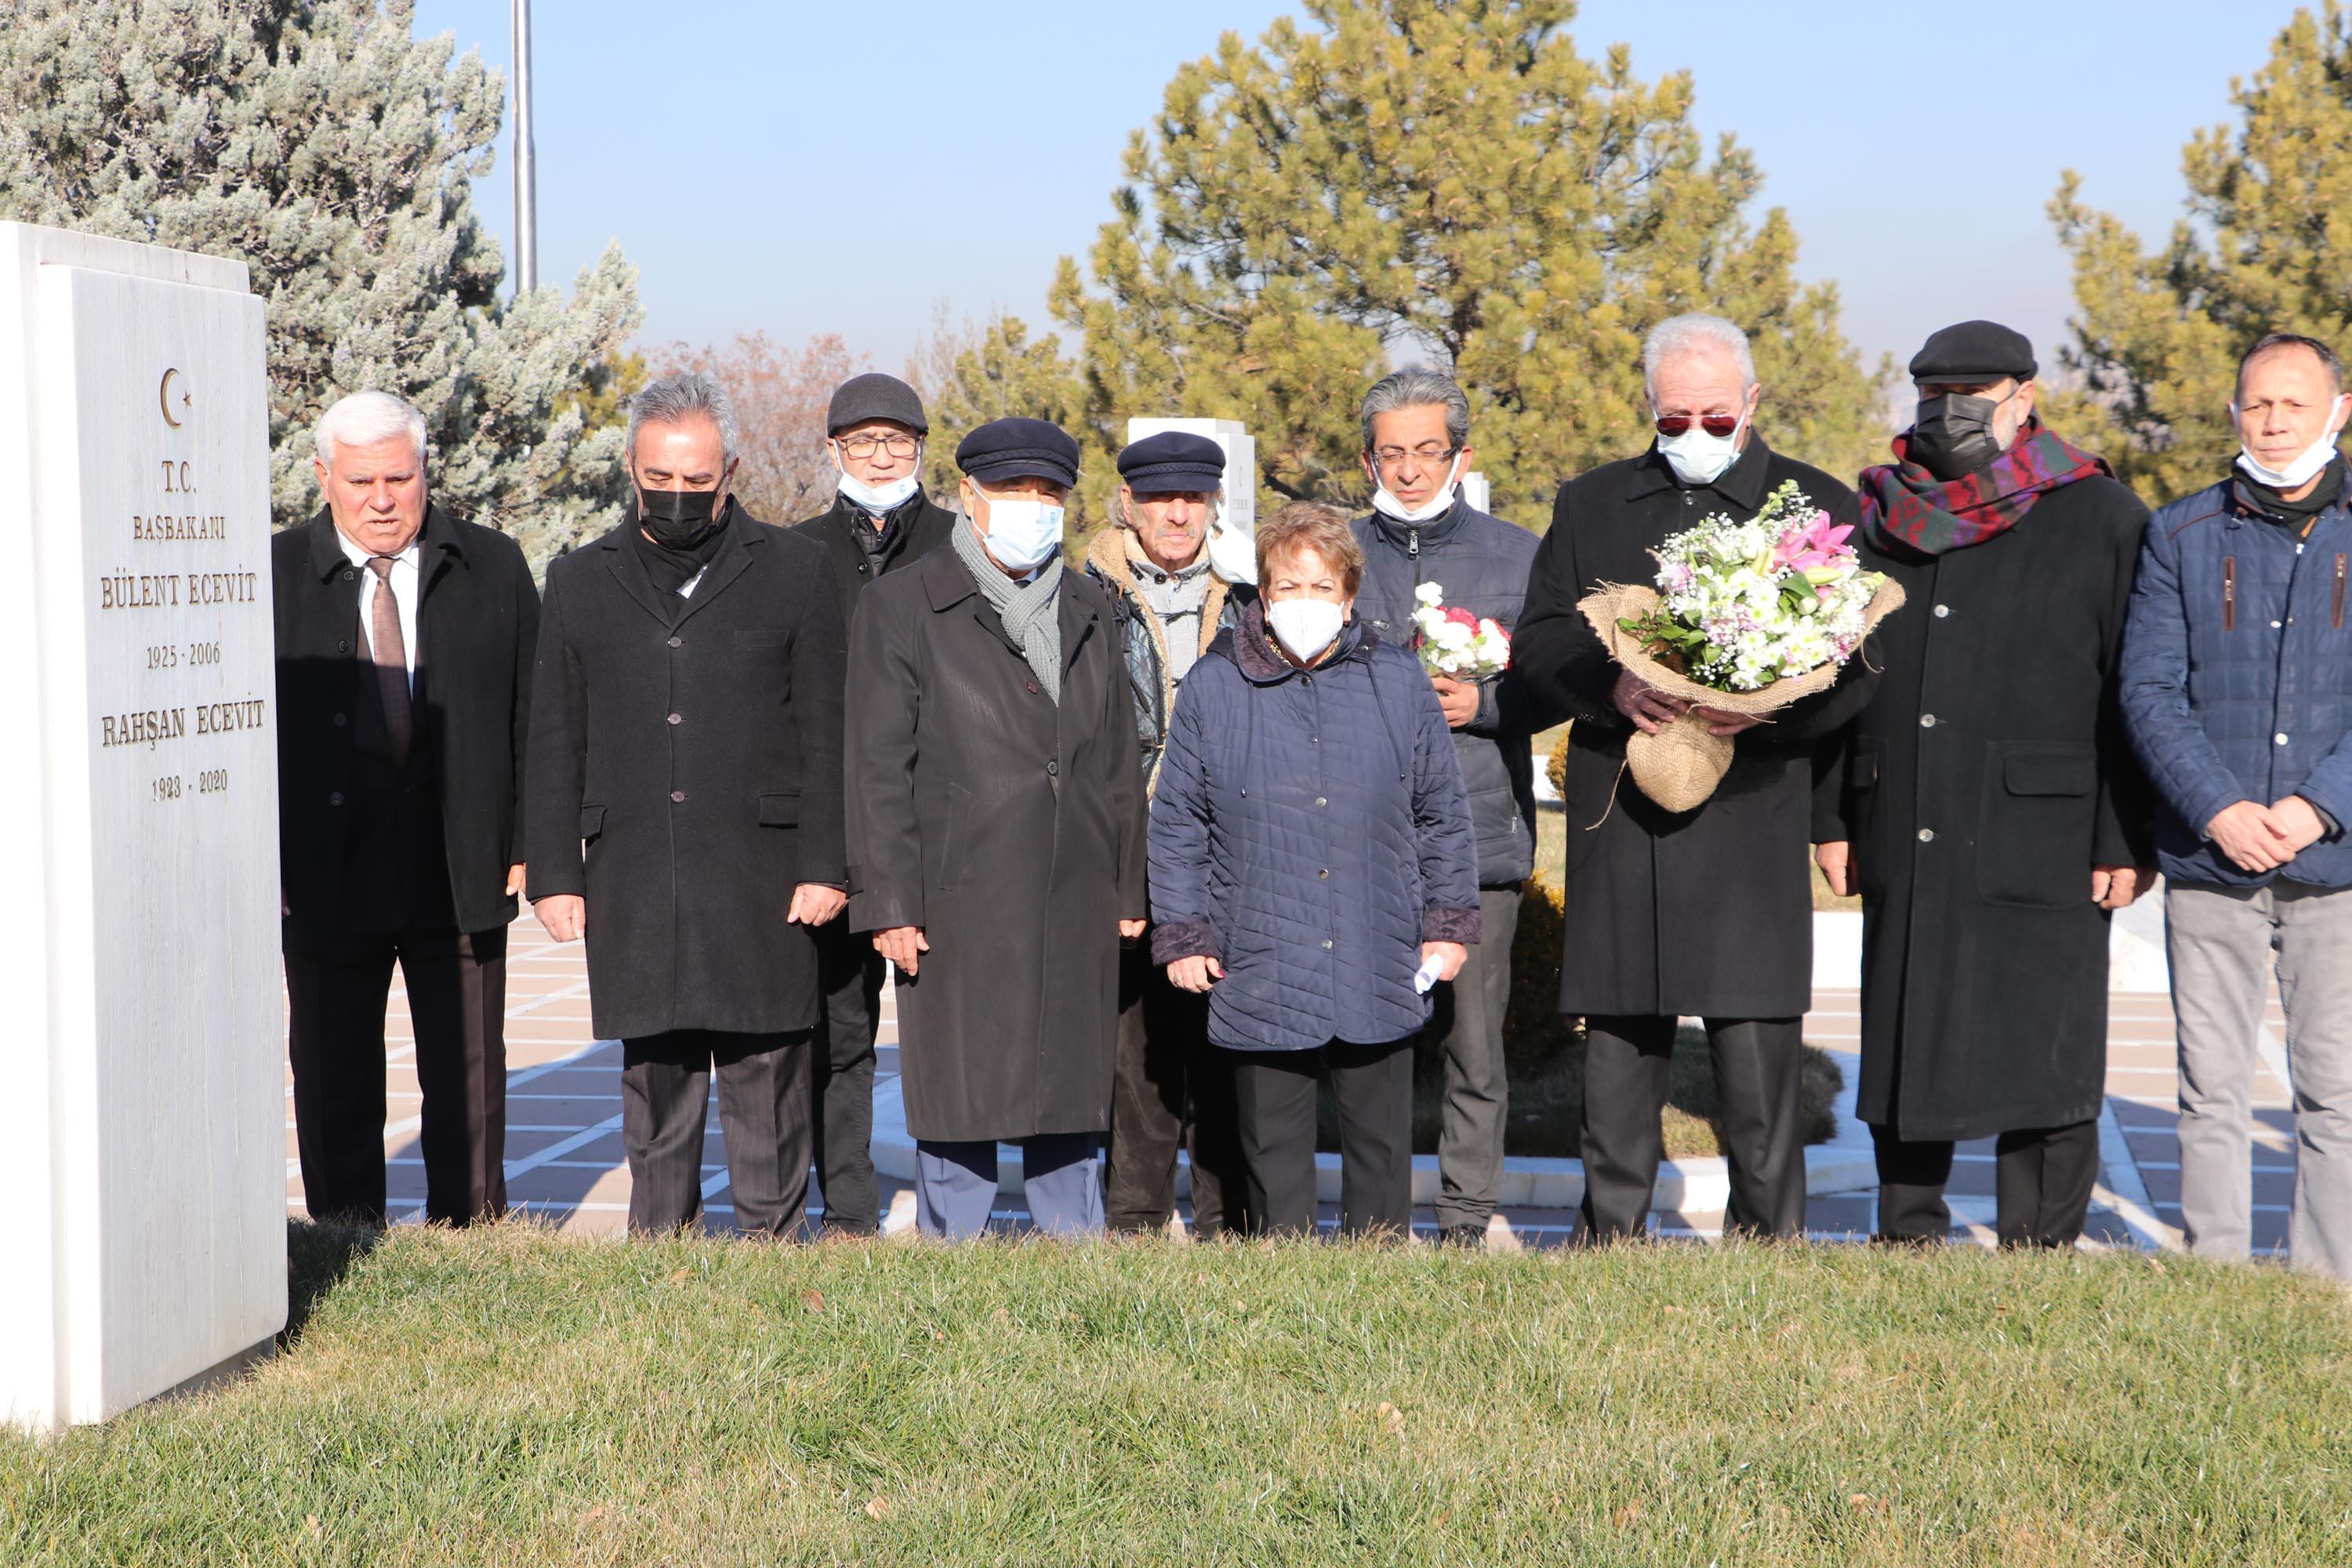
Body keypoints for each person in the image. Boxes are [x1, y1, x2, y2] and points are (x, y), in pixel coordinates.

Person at [1514, 313, 1878, 1243]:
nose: (1695, 437)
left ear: (1752, 402)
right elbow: (1543, 639)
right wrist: (1609, 683)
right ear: (1649, 407)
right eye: (1674, 420)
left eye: (1716, 419)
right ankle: (1610, 1237)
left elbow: (1862, 667)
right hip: (1623, 809)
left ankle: (1770, 1240)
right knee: (1622, 1042)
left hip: (1753, 809)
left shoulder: (1812, 501)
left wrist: (1769, 709)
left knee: (1757, 1053)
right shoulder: (1592, 503)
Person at [1816, 319, 2153, 1248]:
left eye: (1974, 395)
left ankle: (2037, 1242)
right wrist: (1833, 813)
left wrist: (2124, 836)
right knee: (1906, 1018)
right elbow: (1838, 675)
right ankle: (1909, 1231)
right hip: (1904, 808)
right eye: (1933, 396)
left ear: (2025, 399)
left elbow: (2138, 689)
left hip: (2047, 827)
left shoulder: (2103, 516)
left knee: (2041, 1032)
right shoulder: (1877, 515)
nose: (1950, 413)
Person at [525, 373, 848, 1236]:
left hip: (763, 877)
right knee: (656, 1096)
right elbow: (554, 736)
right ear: (631, 466)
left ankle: (774, 1267)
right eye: (658, 479)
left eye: (696, 482)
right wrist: (556, 871)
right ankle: (661, 1269)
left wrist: (827, 863)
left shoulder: (799, 572)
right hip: (636, 875)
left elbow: (829, 730)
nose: (675, 496)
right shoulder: (577, 579)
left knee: (770, 1092)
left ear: (730, 470)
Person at [844, 417, 1146, 1240]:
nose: (1032, 507)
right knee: (962, 1106)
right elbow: (876, 766)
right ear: (969, 495)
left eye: (1048, 492)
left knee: (1068, 1101)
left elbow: (1117, 752)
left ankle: (1077, 1286)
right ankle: (952, 1278)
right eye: (1014, 491)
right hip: (957, 895)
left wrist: (1129, 881)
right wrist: (889, 901)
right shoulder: (903, 603)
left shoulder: (1091, 606)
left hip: (1075, 889)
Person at [1149, 501, 1480, 1238]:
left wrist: (1448, 924)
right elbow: (1179, 824)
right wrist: (1184, 932)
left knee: (1381, 1151)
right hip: (1259, 955)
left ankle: (1378, 1296)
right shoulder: (1214, 685)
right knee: (1272, 1160)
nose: (1305, 603)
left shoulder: (1398, 682)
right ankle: (1284, 1302)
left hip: (1378, 947)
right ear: (1263, 596)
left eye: (1322, 587)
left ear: (1350, 597)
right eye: (1288, 587)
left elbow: (1441, 813)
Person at [273, 390, 538, 1227]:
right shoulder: (269, 575)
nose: (382, 499)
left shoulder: (492, 564)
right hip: (323, 870)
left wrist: (528, 838)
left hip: (459, 859)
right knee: (332, 1069)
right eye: (360, 480)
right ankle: (345, 1237)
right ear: (322, 476)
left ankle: (471, 1235)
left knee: (466, 1074)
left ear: (426, 471)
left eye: (400, 475)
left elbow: (536, 714)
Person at [2122, 331, 2352, 1279]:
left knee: (2334, 1090)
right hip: (2211, 859)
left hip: (2333, 863)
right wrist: (2217, 807)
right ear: (2233, 414)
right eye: (2258, 403)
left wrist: (2320, 807)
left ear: (2337, 412)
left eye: (2296, 403)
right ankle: (2214, 1277)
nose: (2276, 420)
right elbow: (2148, 689)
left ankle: (2325, 1283)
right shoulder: (2179, 534)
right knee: (2210, 1085)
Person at [1348, 368, 1544, 1249]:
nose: (1412, 470)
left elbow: (1559, 677)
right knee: (1373, 1046)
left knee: (1475, 1047)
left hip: (1477, 839)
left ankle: (1466, 1216)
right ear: (1369, 459)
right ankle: (1378, 1217)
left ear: (1460, 453)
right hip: (1361, 841)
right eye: (1393, 453)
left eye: (1428, 451)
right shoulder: (1337, 554)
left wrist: (1488, 705)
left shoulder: (1517, 554)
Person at [791, 372, 957, 1238]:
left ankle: (951, 1204)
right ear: (834, 451)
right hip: (832, 825)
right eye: (863, 441)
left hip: (938, 828)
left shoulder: (962, 543)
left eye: (897, 439)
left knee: (942, 1026)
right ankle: (848, 1206)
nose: (882, 454)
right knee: (838, 1029)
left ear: (922, 448)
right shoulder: (795, 555)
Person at [1087, 431, 1254, 1238]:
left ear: (1214, 505)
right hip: (1128, 844)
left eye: (1193, 497)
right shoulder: (1088, 590)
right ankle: (1134, 1219)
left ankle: (1230, 1223)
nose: (1178, 512)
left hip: (1232, 854)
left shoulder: (1254, 592)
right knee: (1137, 1054)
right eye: (1159, 498)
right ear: (1129, 504)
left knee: (1227, 1041)